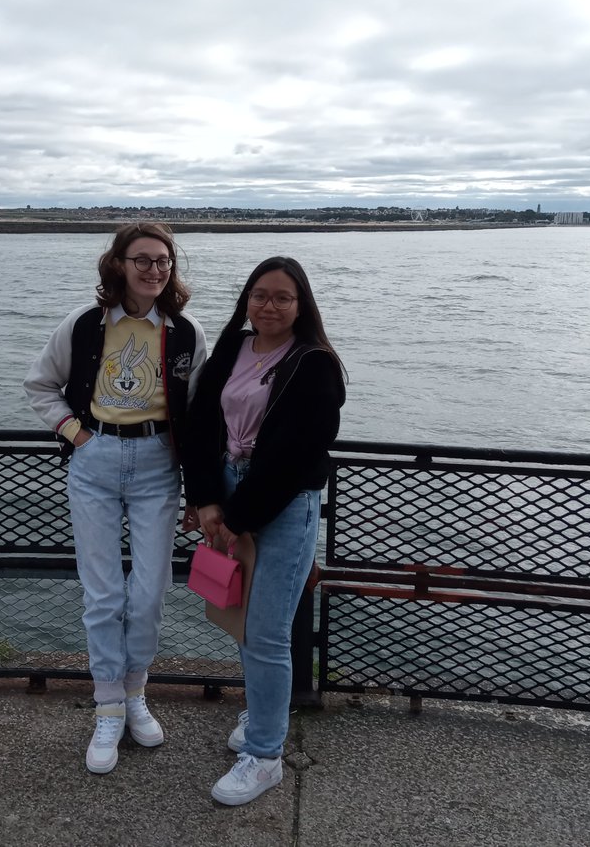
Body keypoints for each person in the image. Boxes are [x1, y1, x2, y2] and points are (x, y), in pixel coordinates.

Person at [24, 221, 206, 774]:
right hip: (95, 461)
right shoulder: (83, 326)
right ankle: (107, 707)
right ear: (119, 266)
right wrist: (76, 434)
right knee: (103, 593)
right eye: (142, 259)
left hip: (158, 464)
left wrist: (200, 491)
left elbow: (199, 417)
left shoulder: (185, 332)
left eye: (163, 261)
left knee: (149, 592)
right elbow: (39, 385)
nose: (154, 270)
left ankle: (135, 693)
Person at [183, 256, 346, 806]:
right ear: (245, 300)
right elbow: (201, 423)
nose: (269, 306)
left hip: (282, 505)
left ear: (302, 306)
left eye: (282, 297)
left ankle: (265, 755)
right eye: (259, 295)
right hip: (229, 494)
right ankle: (263, 711)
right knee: (241, 617)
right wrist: (205, 497)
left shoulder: (314, 364)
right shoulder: (234, 347)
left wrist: (234, 517)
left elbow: (295, 456)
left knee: (268, 631)